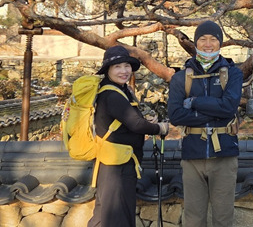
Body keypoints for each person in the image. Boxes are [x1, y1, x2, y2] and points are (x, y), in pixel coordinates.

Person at [167, 20, 243, 227]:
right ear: (195, 42)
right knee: (193, 218)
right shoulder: (180, 77)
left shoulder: (233, 73)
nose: (208, 44)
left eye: (213, 39)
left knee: (223, 217)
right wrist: (216, 114)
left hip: (224, 153)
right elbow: (175, 115)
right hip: (193, 153)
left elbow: (229, 108)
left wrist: (194, 102)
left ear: (220, 43)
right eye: (202, 39)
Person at [88, 45, 169, 227]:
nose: (124, 71)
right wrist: (160, 128)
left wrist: (146, 120)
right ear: (107, 70)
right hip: (117, 167)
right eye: (117, 66)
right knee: (118, 217)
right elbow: (136, 124)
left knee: (104, 216)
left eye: (126, 66)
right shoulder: (112, 94)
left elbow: (128, 120)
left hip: (113, 162)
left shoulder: (119, 90)